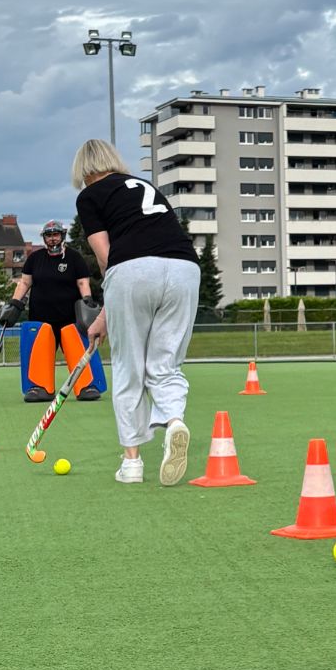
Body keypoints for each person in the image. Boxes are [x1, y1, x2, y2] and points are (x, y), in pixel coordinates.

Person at [71, 140, 200, 486]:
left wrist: (104, 312)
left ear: (83, 170)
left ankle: (132, 464)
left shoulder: (89, 196)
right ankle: (174, 422)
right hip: (185, 268)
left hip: (132, 269)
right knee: (166, 364)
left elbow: (106, 257)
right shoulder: (145, 185)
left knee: (129, 368)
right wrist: (105, 315)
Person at [0, 221, 104, 403]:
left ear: (62, 235)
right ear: (44, 238)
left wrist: (87, 300)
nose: (52, 238)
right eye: (49, 235)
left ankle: (86, 385)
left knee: (78, 349)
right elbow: (25, 282)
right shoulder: (35, 258)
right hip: (41, 318)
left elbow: (82, 282)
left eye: (56, 234)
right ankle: (40, 387)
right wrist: (15, 303)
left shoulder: (74, 258)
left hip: (70, 318)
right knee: (40, 352)